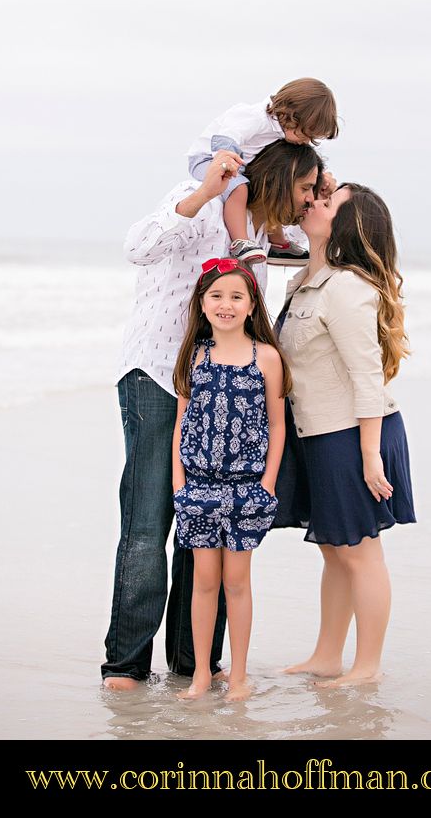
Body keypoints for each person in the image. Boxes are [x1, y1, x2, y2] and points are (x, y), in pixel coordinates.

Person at [102, 139, 322, 690]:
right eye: (302, 187)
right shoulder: (198, 200)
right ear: (276, 178)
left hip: (220, 393)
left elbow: (304, 258)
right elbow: (137, 247)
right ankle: (126, 664)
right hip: (158, 375)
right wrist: (203, 191)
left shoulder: (254, 238)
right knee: (150, 523)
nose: (306, 199)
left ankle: (192, 662)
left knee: (207, 534)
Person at [273, 184, 417, 687]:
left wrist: (370, 455)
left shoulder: (347, 288)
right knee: (333, 548)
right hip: (318, 433)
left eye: (327, 202)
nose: (313, 202)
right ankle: (327, 656)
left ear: (347, 225)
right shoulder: (308, 280)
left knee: (360, 551)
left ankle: (367, 667)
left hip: (355, 433)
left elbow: (367, 375)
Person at [171, 258, 291, 701]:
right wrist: (179, 484)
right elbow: (181, 423)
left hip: (247, 489)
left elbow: (277, 426)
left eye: (236, 296)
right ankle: (202, 673)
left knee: (237, 583)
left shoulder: (268, 358)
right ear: (202, 304)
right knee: (204, 581)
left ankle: (238, 676)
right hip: (198, 487)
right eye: (216, 296)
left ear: (251, 304)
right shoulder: (194, 355)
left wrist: (268, 484)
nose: (226, 305)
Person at [187, 78, 339, 266]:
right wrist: (227, 162)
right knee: (240, 189)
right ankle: (241, 241)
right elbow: (227, 136)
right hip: (209, 159)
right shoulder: (255, 118)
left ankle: (277, 243)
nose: (306, 141)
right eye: (305, 134)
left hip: (239, 162)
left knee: (272, 193)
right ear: (292, 116)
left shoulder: (279, 131)